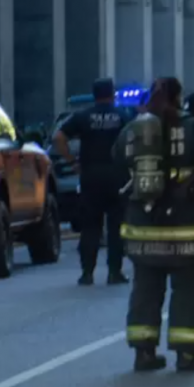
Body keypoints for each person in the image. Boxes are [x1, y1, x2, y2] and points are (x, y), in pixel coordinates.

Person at [114, 77, 194, 372]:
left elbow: (117, 158)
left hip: (143, 227)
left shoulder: (134, 129)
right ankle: (186, 354)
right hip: (185, 226)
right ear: (179, 97)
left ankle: (143, 354)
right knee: (188, 290)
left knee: (146, 290)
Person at [54, 78, 135, 286]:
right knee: (116, 226)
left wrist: (73, 162)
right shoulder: (122, 116)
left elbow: (59, 138)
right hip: (117, 176)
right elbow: (133, 142)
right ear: (112, 94)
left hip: (90, 176)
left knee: (91, 225)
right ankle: (114, 272)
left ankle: (87, 272)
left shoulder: (83, 116)